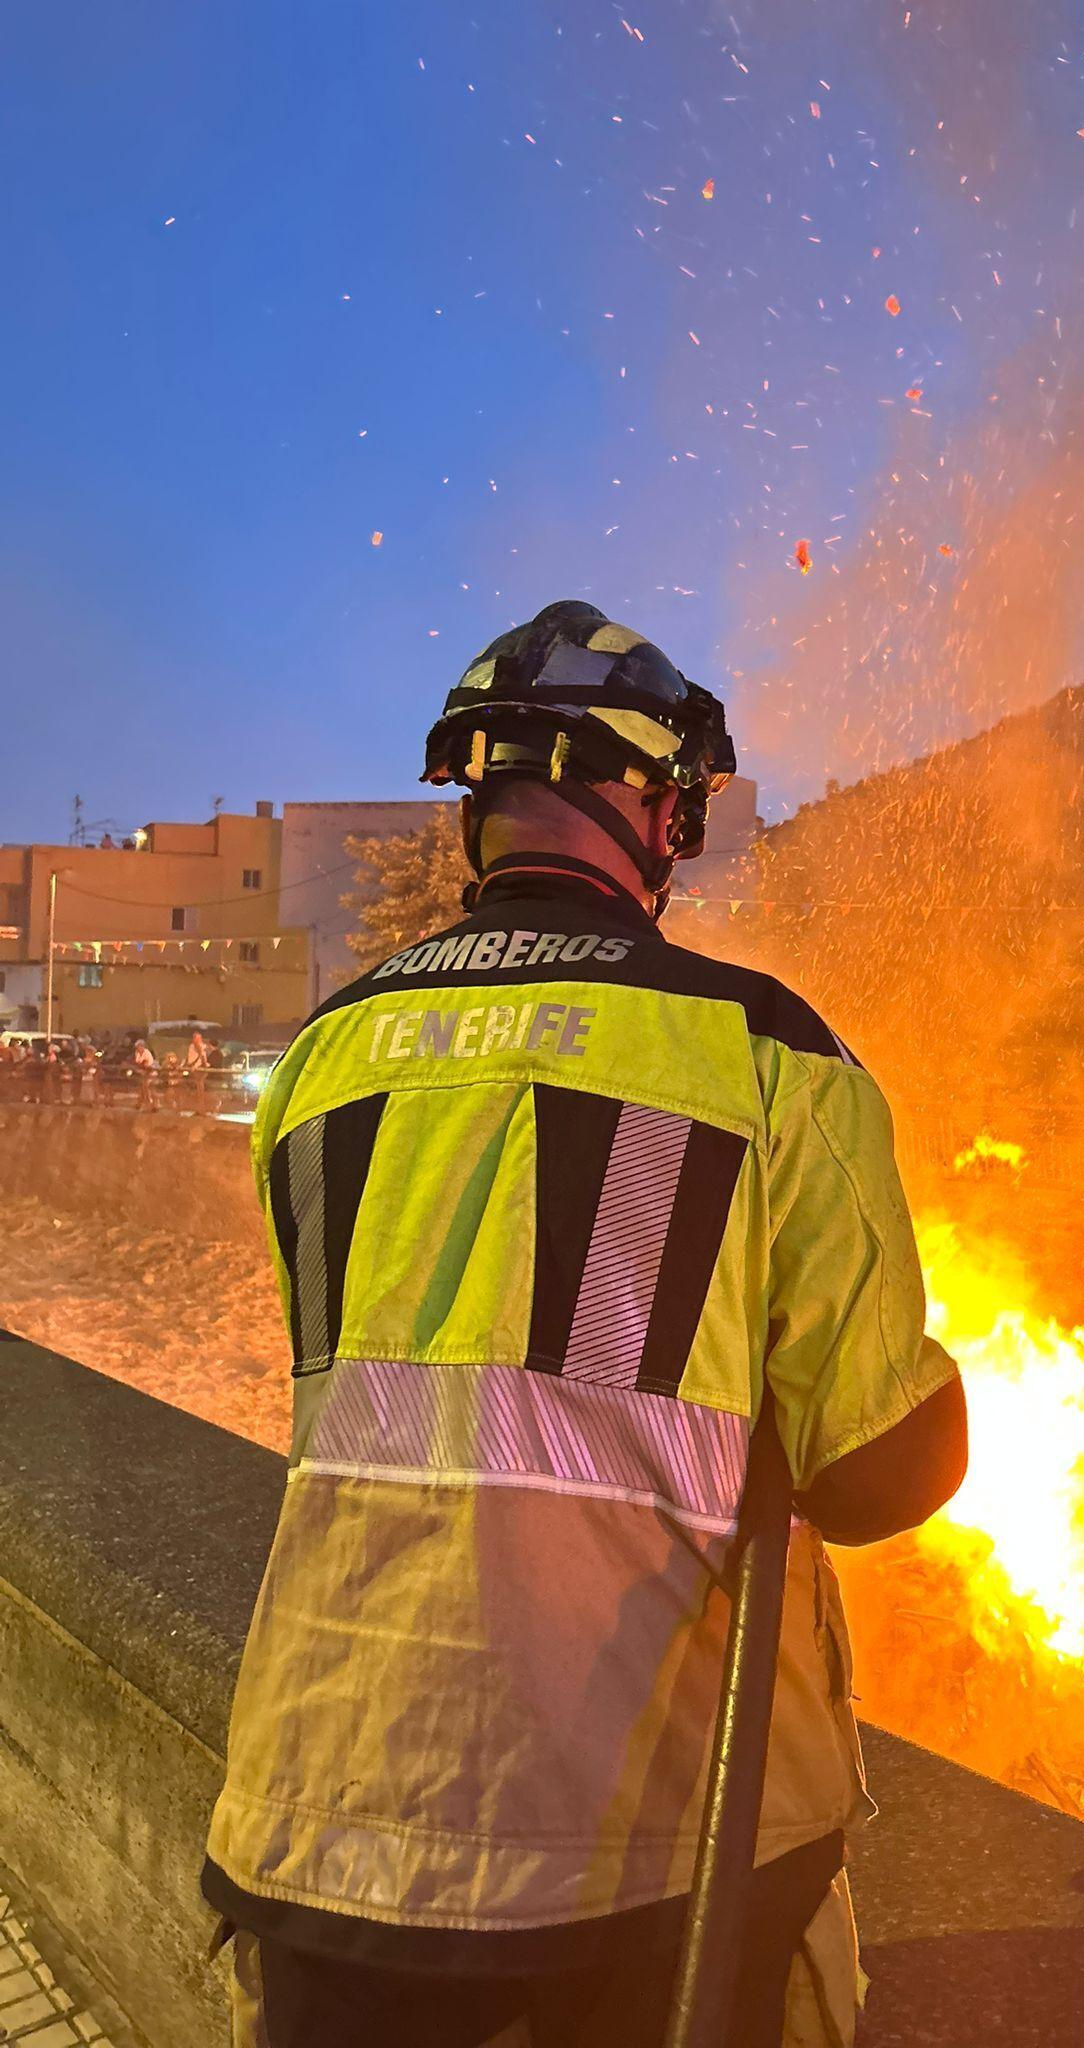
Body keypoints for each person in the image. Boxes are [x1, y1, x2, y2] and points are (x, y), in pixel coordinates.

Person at [202, 601, 967, 2048]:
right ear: (658, 808)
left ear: (478, 808)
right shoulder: (768, 1055)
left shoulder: (323, 1057)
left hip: (321, 1806)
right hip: (649, 1854)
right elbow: (876, 1471)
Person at [185, 1028, 212, 1115]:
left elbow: (203, 1058)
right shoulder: (192, 1047)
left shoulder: (201, 1047)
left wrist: (204, 1065)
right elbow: (193, 1059)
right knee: (198, 1089)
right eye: (196, 1038)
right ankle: (199, 1109)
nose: (198, 1040)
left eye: (199, 1038)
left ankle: (201, 1109)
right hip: (195, 1069)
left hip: (199, 1069)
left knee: (200, 1089)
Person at [131, 1037, 158, 1111]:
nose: (138, 1048)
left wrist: (142, 1066)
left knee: (149, 1089)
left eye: (139, 1046)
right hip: (143, 1073)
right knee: (143, 1089)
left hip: (150, 1073)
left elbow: (147, 1064)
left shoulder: (147, 1053)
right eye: (137, 1047)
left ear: (142, 1046)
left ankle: (153, 1105)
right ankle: (141, 1104)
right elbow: (138, 1063)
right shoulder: (137, 1053)